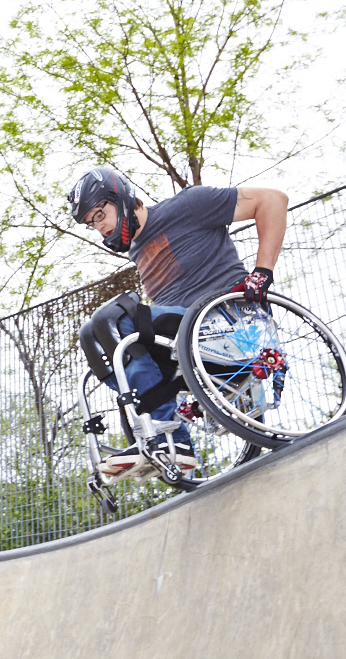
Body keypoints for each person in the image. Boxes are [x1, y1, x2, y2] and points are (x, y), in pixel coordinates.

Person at [69, 166, 288, 475]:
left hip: (230, 324)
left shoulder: (187, 205)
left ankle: (169, 435)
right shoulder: (136, 249)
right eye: (92, 222)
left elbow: (273, 200)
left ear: (119, 199)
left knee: (112, 317)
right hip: (186, 340)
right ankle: (159, 436)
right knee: (90, 335)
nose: (100, 226)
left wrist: (262, 273)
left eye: (100, 213)